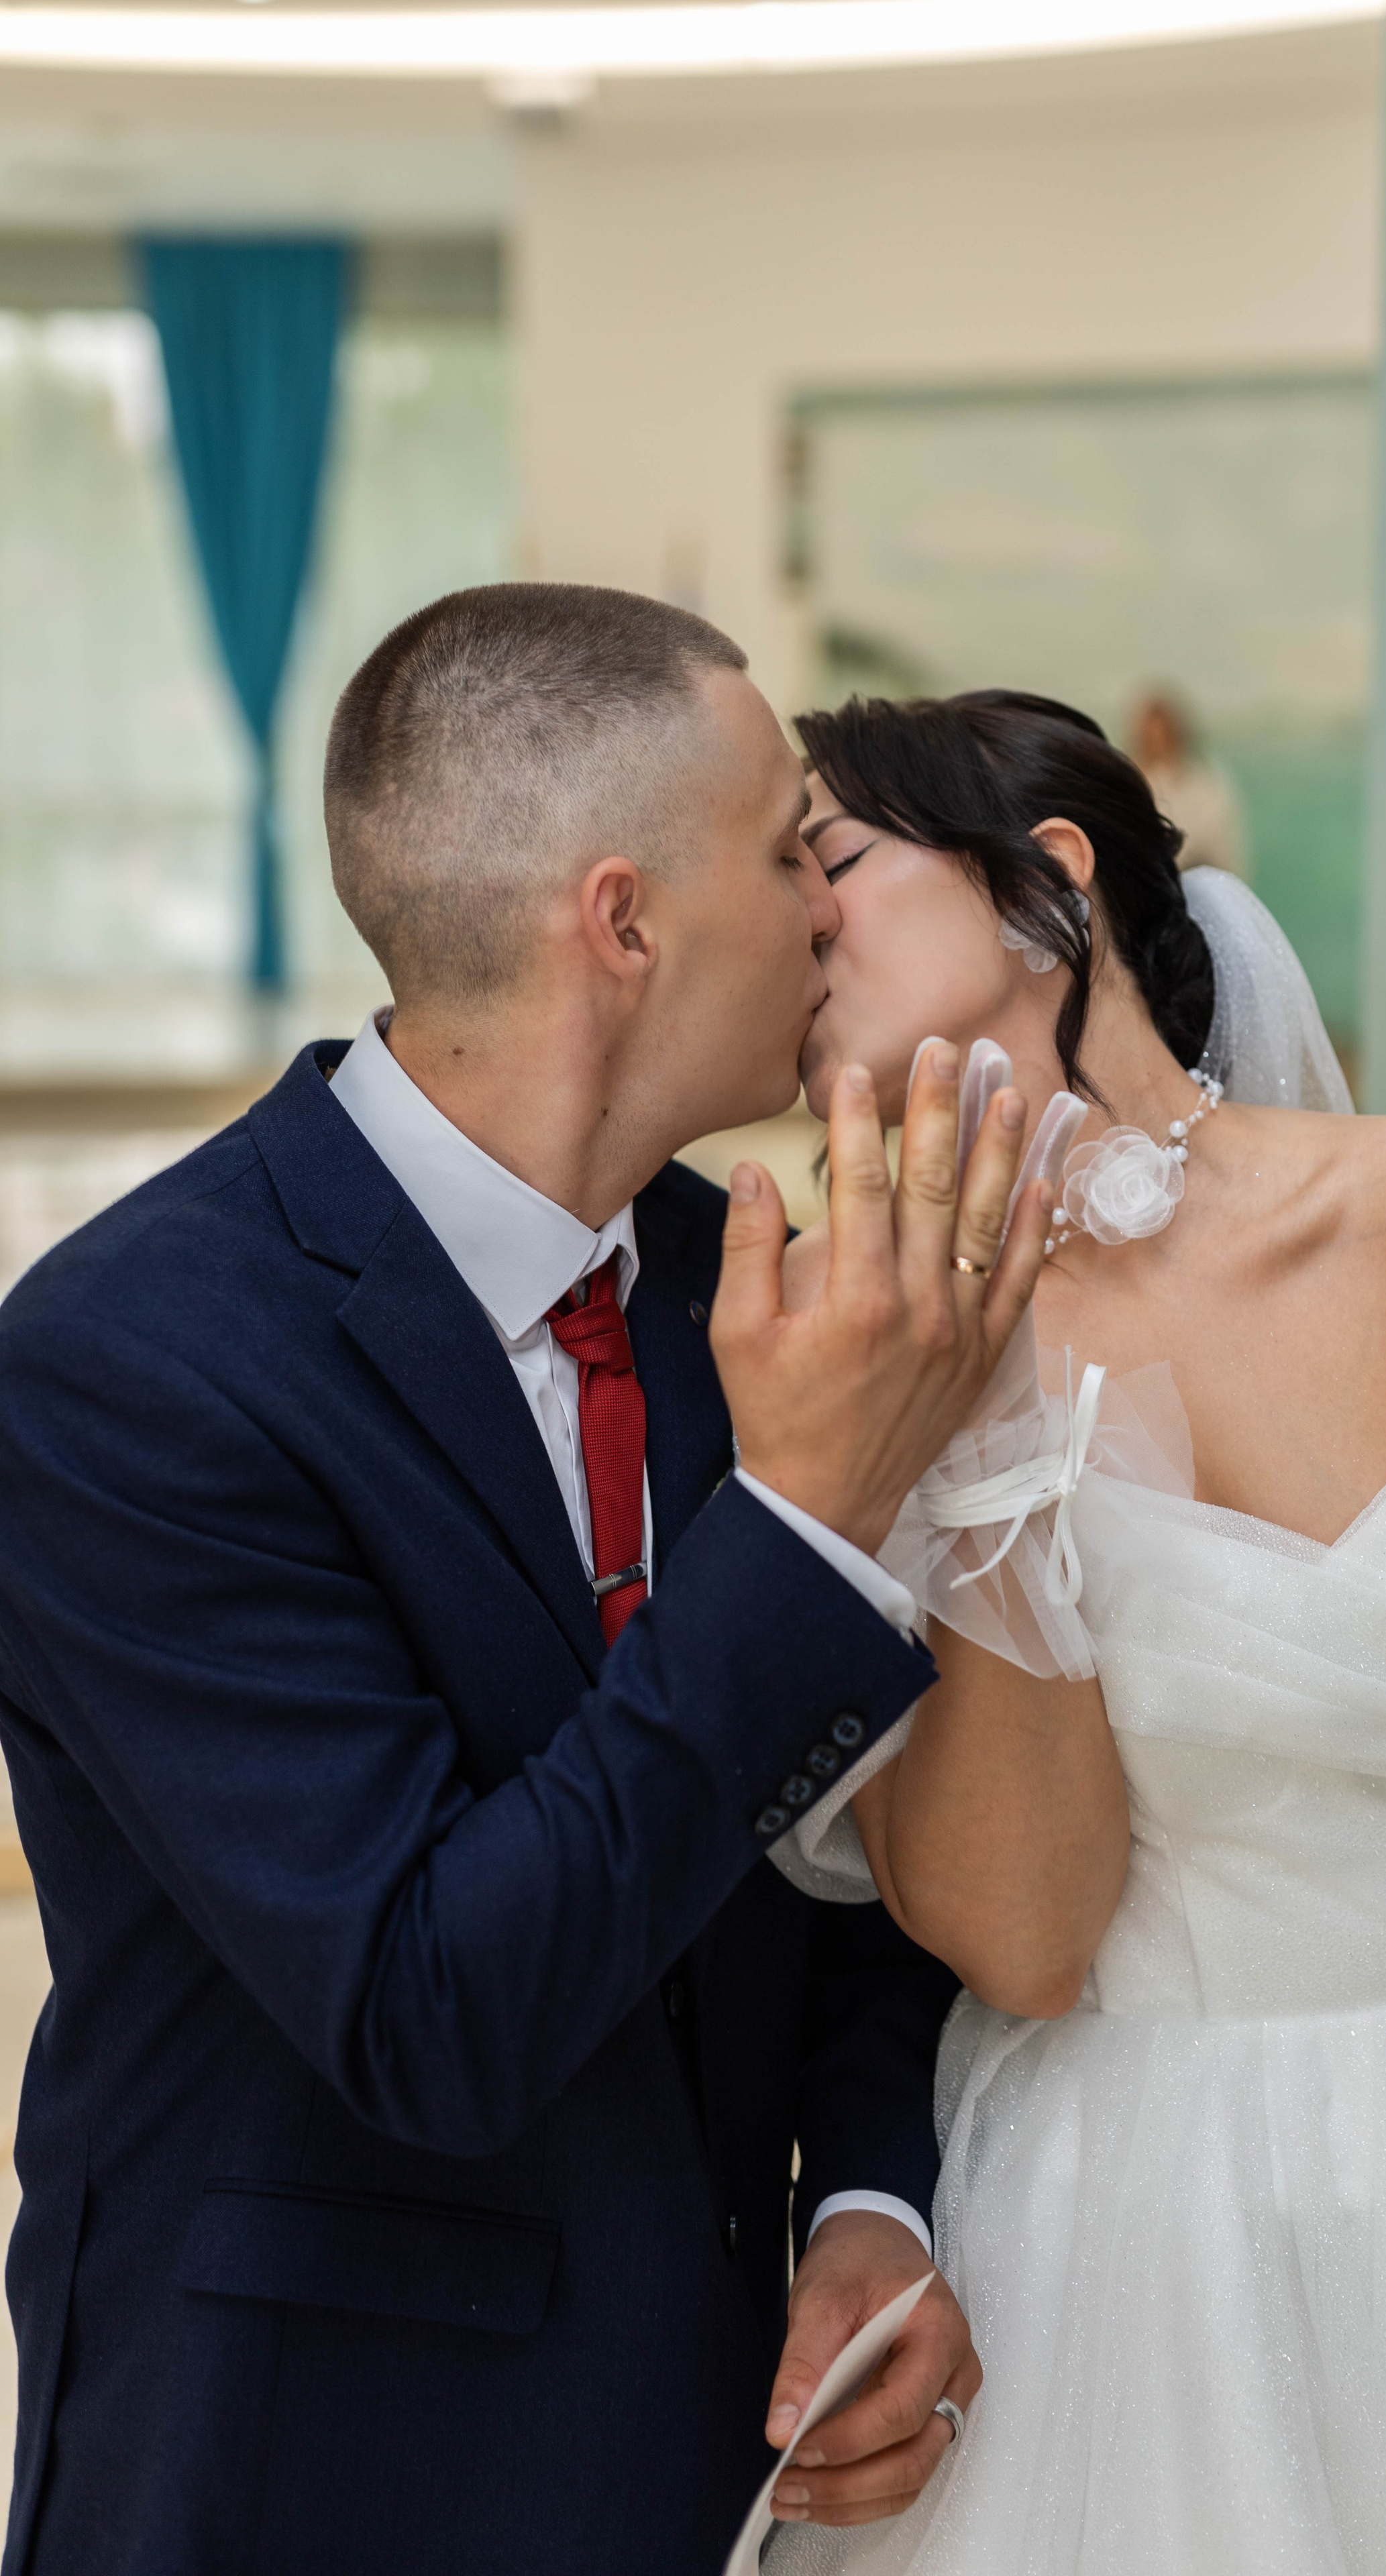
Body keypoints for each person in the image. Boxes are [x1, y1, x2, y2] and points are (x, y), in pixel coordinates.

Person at [0, 592, 1062, 2576]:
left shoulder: (739, 1284)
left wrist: (872, 2202)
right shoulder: (127, 1362)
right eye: (782, 855)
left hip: (709, 2453)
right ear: (623, 919)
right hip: (307, 2466)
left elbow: (838, 1851)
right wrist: (811, 1518)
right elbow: (433, 2005)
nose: (829, 912)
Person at [764, 687, 1386, 2572]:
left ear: (1053, 882)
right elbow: (1028, 1935)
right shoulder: (831, 1356)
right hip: (1146, 2216)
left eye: (840, 861)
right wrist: (976, 1423)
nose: (797, 916)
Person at [1129, 686, 1249, 878]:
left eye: (1163, 734)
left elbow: (1222, 845)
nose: (1157, 742)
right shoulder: (1129, 778)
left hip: (1194, 879)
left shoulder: (1203, 783)